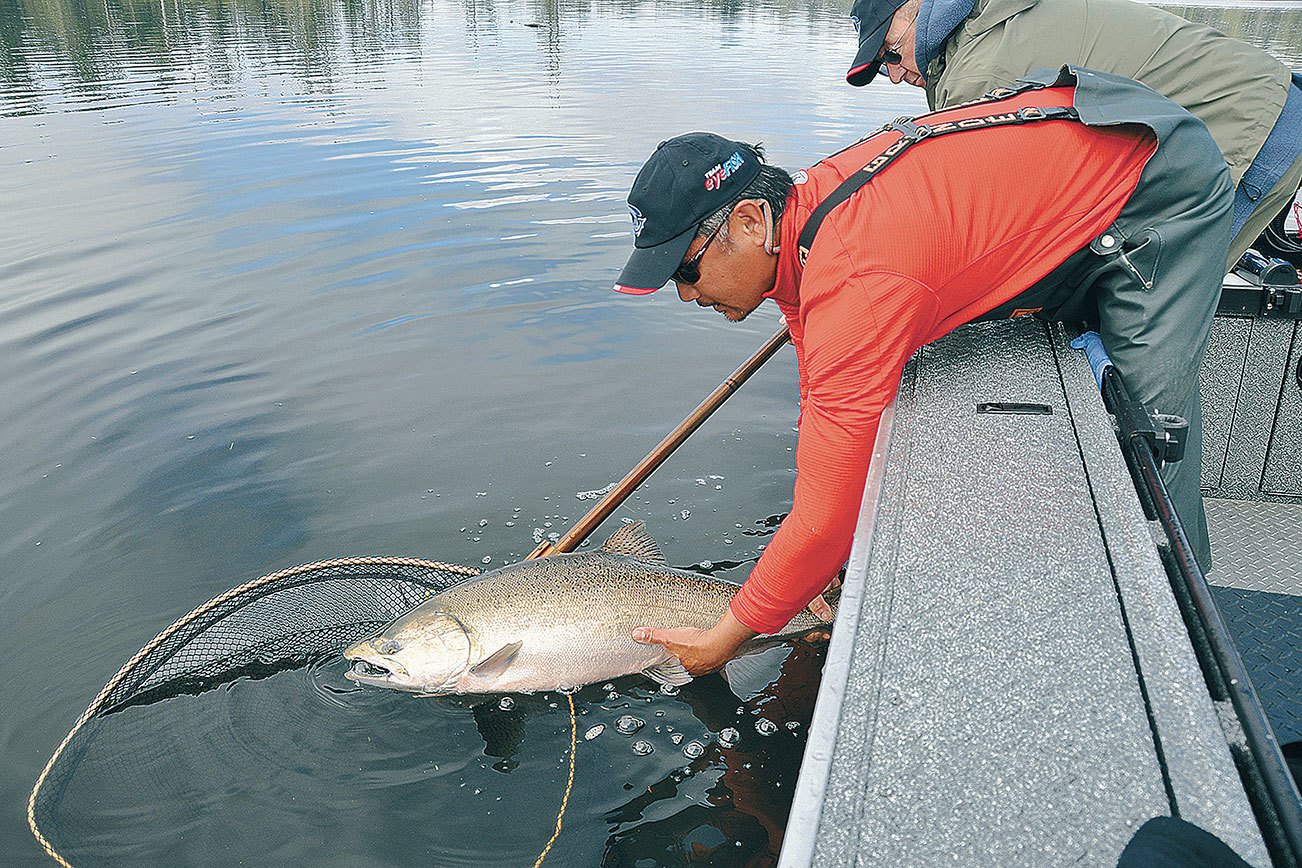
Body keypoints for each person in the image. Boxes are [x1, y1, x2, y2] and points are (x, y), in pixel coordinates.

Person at [617, 66, 1231, 673]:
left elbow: (826, 519)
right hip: (1076, 139)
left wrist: (726, 637)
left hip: (1155, 176)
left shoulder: (856, 275)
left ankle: (1185, 643)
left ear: (750, 222)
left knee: (1151, 435)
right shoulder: (805, 214)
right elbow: (819, 374)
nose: (686, 296)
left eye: (685, 271)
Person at [843, 0, 1302, 270]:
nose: (895, 74)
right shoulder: (984, 21)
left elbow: (990, 216)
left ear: (915, 7)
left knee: (1156, 304)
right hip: (1257, 102)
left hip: (1248, 128)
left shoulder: (983, 71)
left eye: (889, 53)